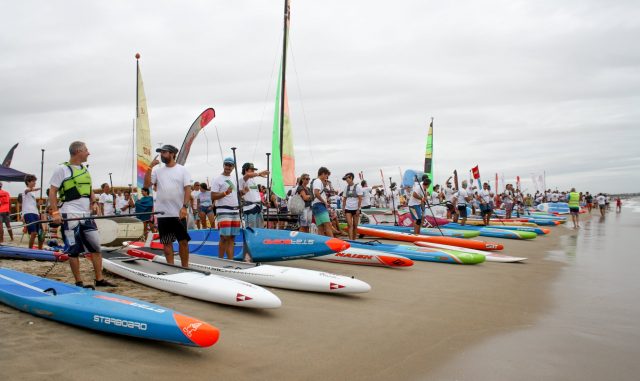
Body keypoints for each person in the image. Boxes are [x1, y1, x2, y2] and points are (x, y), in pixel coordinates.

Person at [48, 141, 116, 287]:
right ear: (78, 151)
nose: (88, 153)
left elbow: (89, 189)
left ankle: (99, 279)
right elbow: (53, 191)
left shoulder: (85, 169)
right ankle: (79, 282)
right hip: (70, 214)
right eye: (86, 150)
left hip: (86, 215)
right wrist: (55, 212)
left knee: (96, 248)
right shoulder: (61, 169)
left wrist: (94, 202)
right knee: (73, 250)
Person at [144, 144, 192, 267]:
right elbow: (146, 185)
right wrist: (150, 167)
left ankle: (185, 267)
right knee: (166, 243)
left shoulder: (182, 170)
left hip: (178, 213)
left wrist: (185, 207)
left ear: (172, 154)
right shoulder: (158, 171)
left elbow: (187, 189)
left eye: (164, 152)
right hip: (163, 213)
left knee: (183, 242)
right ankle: (170, 267)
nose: (162, 155)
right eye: (161, 152)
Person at [211, 157, 241, 260]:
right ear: (223, 165)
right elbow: (213, 196)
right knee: (224, 237)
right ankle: (220, 260)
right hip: (223, 210)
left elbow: (235, 194)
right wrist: (225, 193)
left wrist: (243, 193)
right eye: (226, 164)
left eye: (230, 165)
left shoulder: (234, 179)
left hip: (235, 210)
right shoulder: (217, 179)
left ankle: (230, 261)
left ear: (233, 167)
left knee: (232, 237)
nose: (228, 167)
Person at [240, 162, 269, 229]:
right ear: (245, 170)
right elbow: (247, 175)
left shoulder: (253, 180)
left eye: (254, 170)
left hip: (258, 207)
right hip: (249, 209)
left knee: (260, 229)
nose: (253, 171)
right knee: (251, 230)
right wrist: (259, 174)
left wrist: (264, 203)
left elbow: (255, 195)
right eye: (251, 169)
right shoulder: (243, 179)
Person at [21, 175, 44, 249]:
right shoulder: (25, 190)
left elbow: (34, 205)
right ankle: (30, 249)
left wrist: (38, 204)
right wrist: (35, 189)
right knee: (33, 233)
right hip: (28, 213)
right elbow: (27, 191)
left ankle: (40, 249)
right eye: (33, 181)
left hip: (35, 213)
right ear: (28, 182)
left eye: (35, 181)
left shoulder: (33, 193)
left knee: (41, 233)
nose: (35, 183)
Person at [311, 167, 333, 237]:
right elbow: (316, 193)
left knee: (320, 227)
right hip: (319, 205)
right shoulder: (318, 181)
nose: (327, 177)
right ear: (323, 174)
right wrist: (324, 202)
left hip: (316, 205)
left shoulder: (316, 181)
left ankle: (323, 243)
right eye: (326, 175)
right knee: (327, 225)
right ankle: (332, 243)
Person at [341, 173, 363, 240]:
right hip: (348, 208)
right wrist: (343, 209)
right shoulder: (346, 188)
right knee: (350, 225)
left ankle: (354, 240)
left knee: (355, 225)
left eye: (347, 179)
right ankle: (351, 241)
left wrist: (358, 209)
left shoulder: (358, 187)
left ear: (351, 178)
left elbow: (360, 199)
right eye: (345, 179)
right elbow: (344, 199)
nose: (346, 180)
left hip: (356, 209)